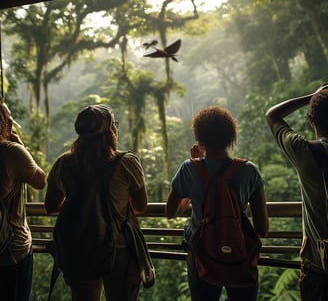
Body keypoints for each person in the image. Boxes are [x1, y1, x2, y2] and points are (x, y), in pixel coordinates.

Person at [45, 104, 149, 301]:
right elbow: (140, 207)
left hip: (80, 247)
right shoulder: (127, 163)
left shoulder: (63, 163)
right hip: (120, 249)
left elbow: (50, 206)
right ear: (111, 131)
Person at [166, 105, 269, 301]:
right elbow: (263, 229)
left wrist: (195, 172)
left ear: (199, 139)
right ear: (231, 137)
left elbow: (171, 212)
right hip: (240, 256)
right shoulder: (249, 170)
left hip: (201, 256)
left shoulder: (188, 169)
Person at [266, 84, 328, 301]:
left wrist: (313, 96)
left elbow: (272, 114)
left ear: (311, 120)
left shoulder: (305, 151)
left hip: (318, 265)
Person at [0, 97, 46, 301]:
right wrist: (21, 145)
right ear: (5, 123)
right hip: (12, 251)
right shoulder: (11, 152)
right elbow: (40, 181)